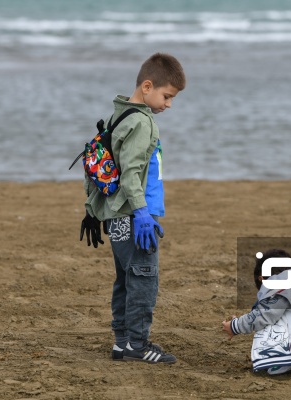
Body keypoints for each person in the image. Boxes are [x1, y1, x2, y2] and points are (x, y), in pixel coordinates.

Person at [80, 53, 186, 364]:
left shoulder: (119, 116)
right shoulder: (141, 122)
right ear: (147, 86)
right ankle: (137, 345)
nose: (168, 104)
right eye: (166, 96)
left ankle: (122, 342)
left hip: (116, 215)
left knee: (126, 277)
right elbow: (128, 171)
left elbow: (100, 164)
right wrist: (141, 213)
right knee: (143, 277)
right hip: (133, 214)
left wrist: (92, 209)